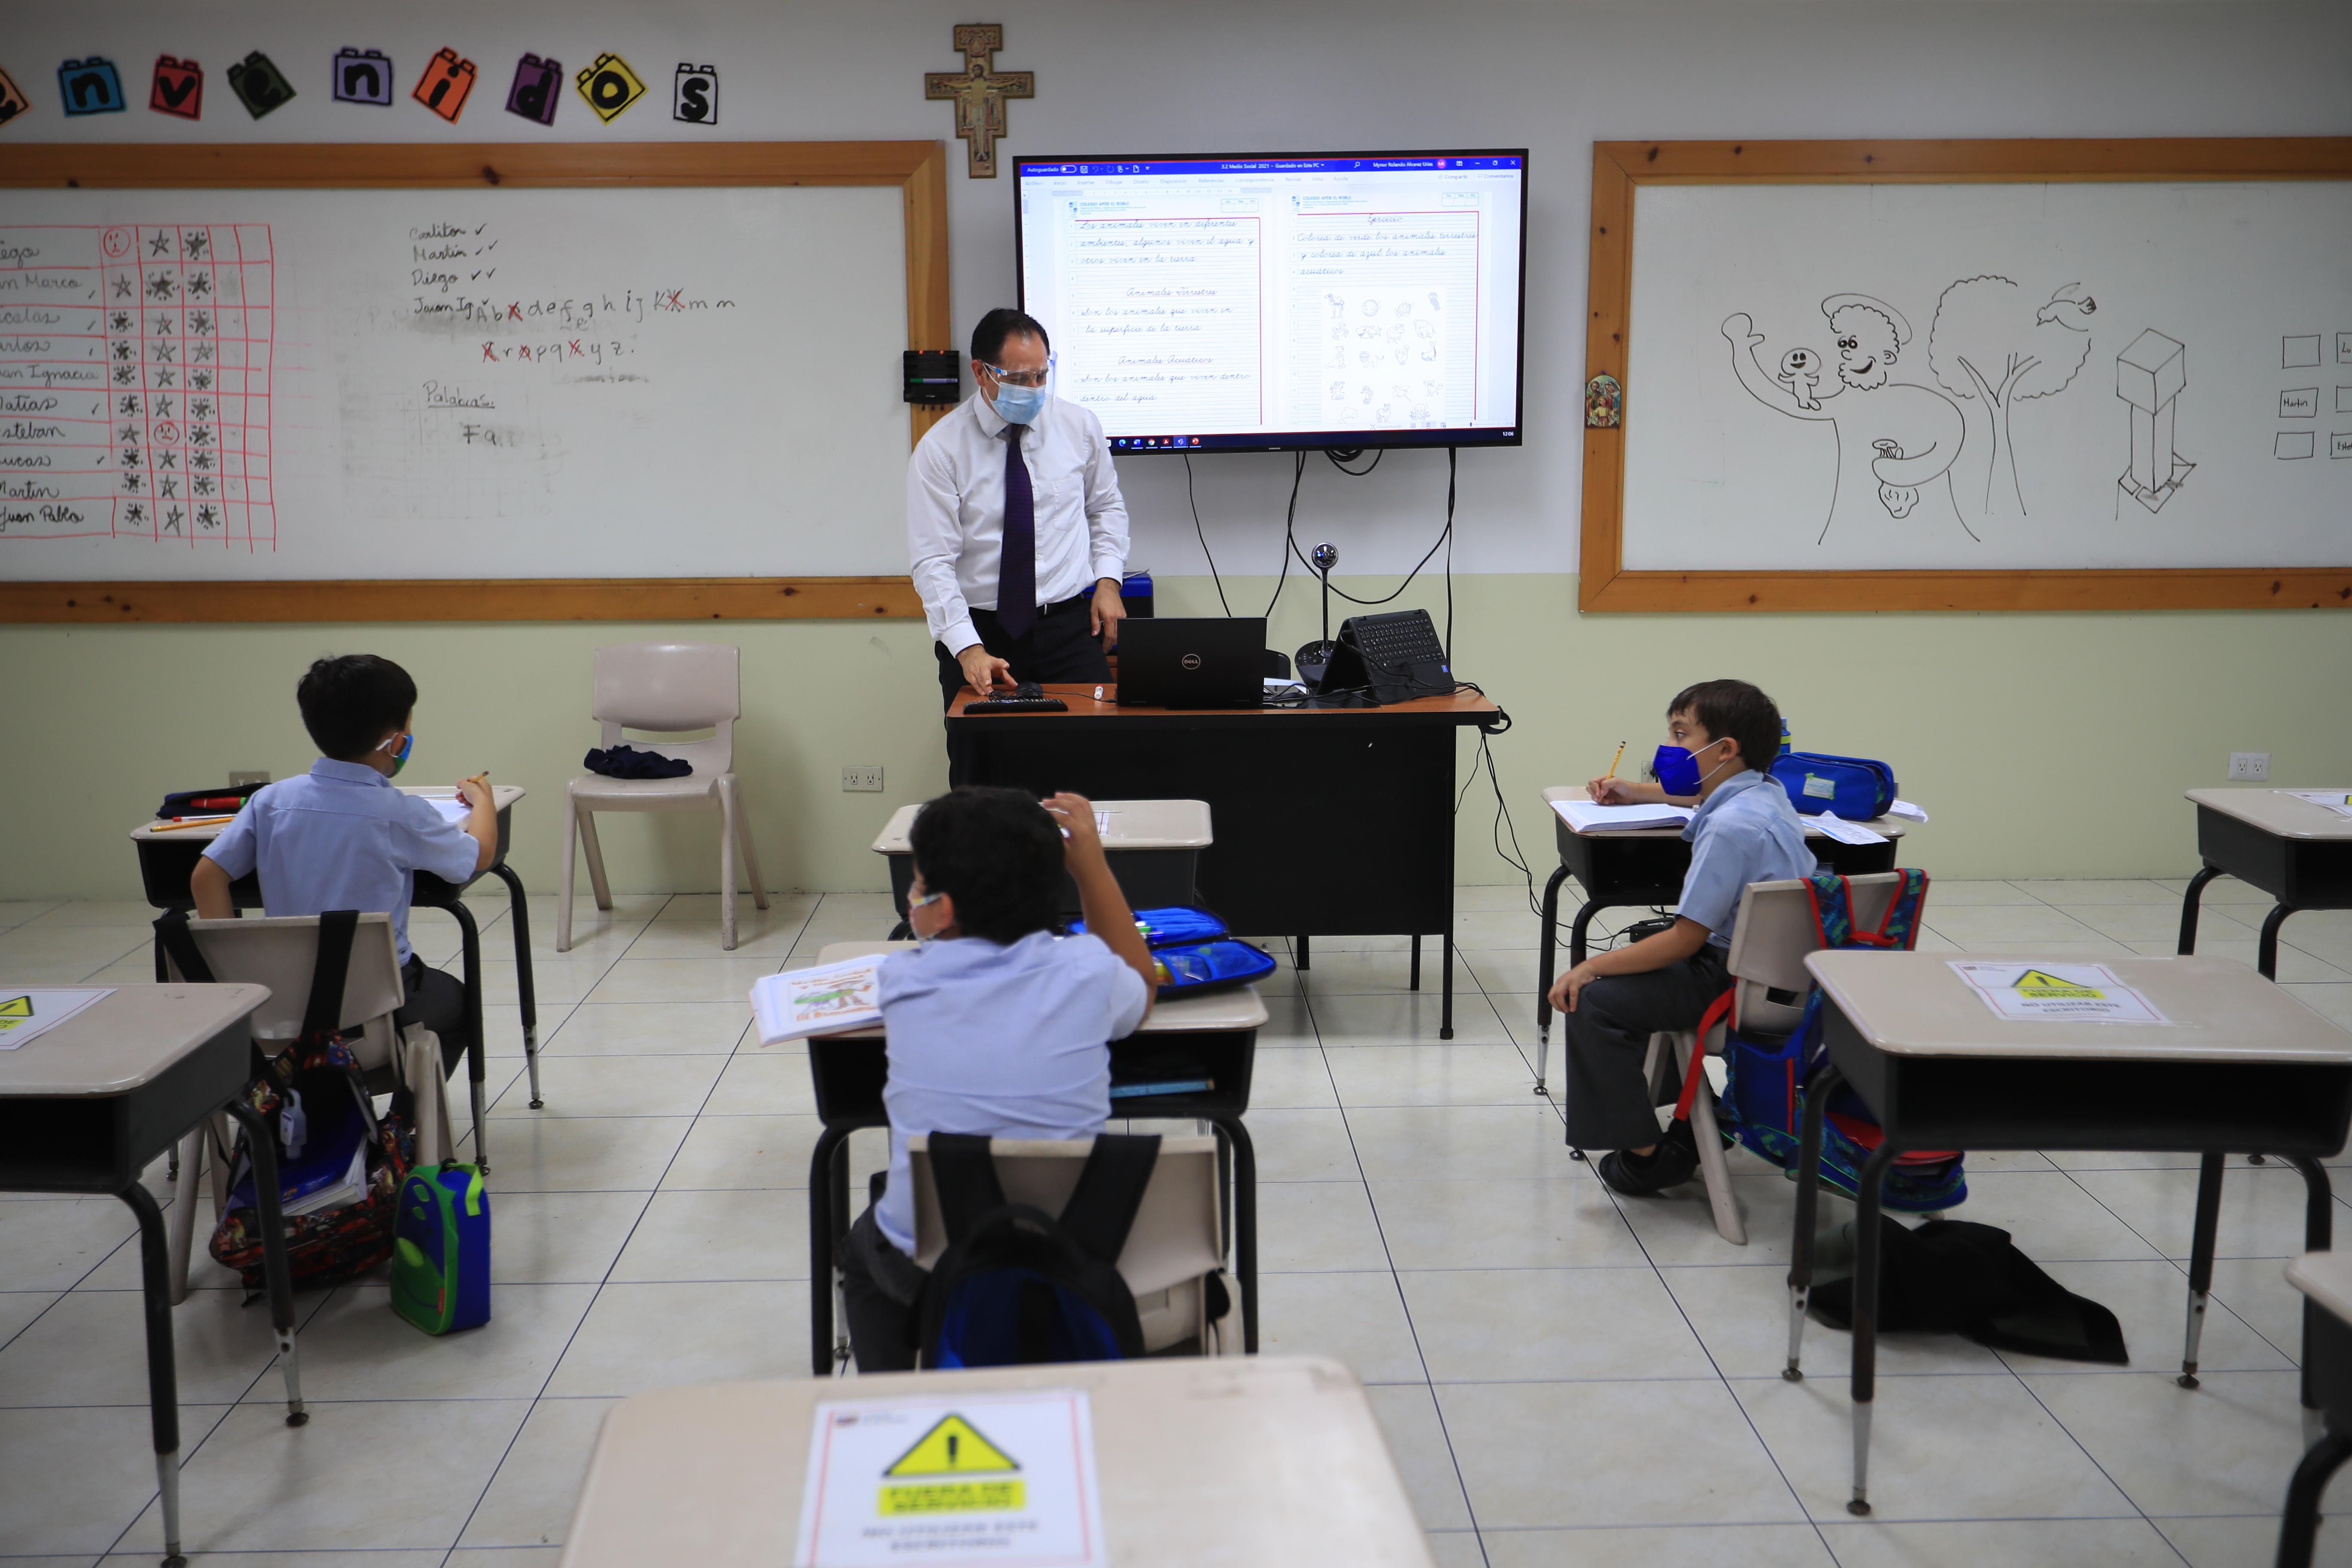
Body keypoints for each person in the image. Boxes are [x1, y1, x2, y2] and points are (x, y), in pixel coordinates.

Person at [837, 786, 1160, 1371]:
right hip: (1081, 1251)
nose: (913, 894)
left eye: (918, 883)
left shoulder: (903, 977)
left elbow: (929, 947)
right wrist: (1092, 871)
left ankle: (889, 1393)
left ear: (941, 908)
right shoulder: (1090, 970)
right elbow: (1143, 984)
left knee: (862, 1252)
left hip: (933, 1271)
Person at [1549, 679, 1816, 1194]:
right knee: (1643, 961)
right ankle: (1700, 1115)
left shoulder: (1729, 830)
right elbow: (1703, 791)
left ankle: (1648, 1158)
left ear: (1725, 749)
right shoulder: (1768, 795)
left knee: (1595, 999)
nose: (1668, 748)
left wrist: (1589, 966)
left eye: (1680, 734)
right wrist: (1637, 791)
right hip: (1784, 978)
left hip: (1734, 982)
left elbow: (1683, 942)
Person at [192, 654, 495, 1077]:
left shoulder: (272, 801)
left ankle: (319, 1103)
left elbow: (206, 877)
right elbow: (477, 856)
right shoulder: (398, 812)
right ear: (394, 742)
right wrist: (483, 801)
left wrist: (234, 983)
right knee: (459, 1004)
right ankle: (397, 1120)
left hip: (277, 1008)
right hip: (374, 1010)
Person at [908, 308, 1130, 779]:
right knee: (983, 777)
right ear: (981, 372)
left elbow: (1106, 508)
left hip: (1067, 627)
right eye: (1018, 378)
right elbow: (933, 563)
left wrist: (1109, 581)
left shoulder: (1079, 427)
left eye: (1042, 376)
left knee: (1096, 764)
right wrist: (967, 649)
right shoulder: (941, 450)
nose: (1033, 390)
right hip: (981, 633)